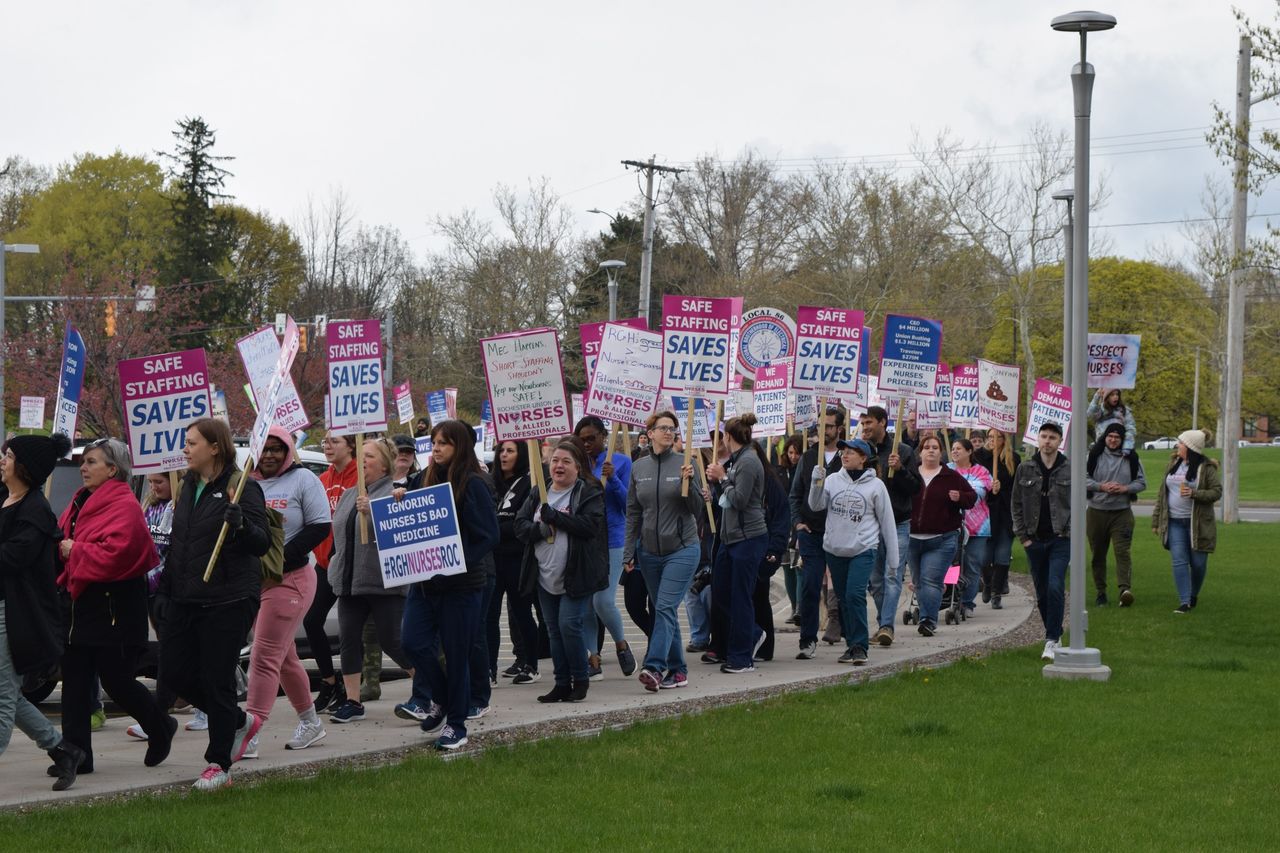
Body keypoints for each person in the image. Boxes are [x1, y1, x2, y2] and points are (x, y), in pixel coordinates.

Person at [159, 418, 271, 791]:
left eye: (192, 443)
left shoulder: (243, 488)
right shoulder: (187, 486)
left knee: (216, 678)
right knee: (172, 673)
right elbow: (181, 545)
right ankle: (237, 721)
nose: (185, 449)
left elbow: (261, 544)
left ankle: (218, 763)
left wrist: (240, 527)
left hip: (229, 597)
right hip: (186, 597)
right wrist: (166, 590)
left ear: (215, 447)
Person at [56, 438, 173, 771]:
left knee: (117, 682)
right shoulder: (80, 501)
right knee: (75, 684)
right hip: (79, 606)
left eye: (91, 462)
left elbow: (117, 555)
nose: (83, 468)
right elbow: (63, 537)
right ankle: (77, 756)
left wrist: (73, 551)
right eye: (83, 462)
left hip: (114, 609)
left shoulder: (125, 506)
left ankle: (160, 727)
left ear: (113, 469)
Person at [400, 420, 500, 750]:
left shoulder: (473, 483)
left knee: (457, 655)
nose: (438, 448)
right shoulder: (424, 478)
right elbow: (407, 516)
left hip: (462, 586)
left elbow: (488, 535)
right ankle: (442, 698)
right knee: (412, 641)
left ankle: (456, 725)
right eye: (434, 442)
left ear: (460, 447)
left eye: (445, 443)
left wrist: (456, 563)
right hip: (424, 584)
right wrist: (399, 498)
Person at [0, 433, 87, 791]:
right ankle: (62, 749)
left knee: (3, 697)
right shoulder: (6, 498)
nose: (2, 459)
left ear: (24, 466)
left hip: (16, 615)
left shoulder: (36, 510)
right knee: (8, 694)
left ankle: (62, 749)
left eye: (8, 455)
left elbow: (12, 558)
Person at [243, 427, 332, 754]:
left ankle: (249, 731)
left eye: (276, 449)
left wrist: (282, 556)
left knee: (263, 655)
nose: (269, 455)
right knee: (284, 658)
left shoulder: (303, 480)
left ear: (288, 450)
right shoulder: (246, 483)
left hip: (291, 579)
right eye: (263, 449)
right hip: (257, 582)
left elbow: (321, 525)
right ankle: (311, 722)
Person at [327, 437, 414, 724]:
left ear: (385, 464)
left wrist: (375, 512)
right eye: (361, 455)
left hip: (383, 582)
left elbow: (400, 535)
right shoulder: (351, 493)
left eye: (370, 456)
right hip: (350, 582)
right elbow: (340, 535)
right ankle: (353, 701)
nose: (363, 460)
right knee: (348, 640)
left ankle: (430, 687)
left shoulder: (395, 493)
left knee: (394, 641)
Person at [517, 439, 608, 702]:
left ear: (578, 467)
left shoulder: (588, 493)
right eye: (555, 460)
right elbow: (520, 526)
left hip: (577, 574)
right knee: (554, 630)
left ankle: (580, 679)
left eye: (566, 461)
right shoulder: (539, 492)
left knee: (569, 626)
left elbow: (590, 526)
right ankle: (561, 683)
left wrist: (556, 517)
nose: (559, 466)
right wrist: (542, 529)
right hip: (545, 575)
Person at [808, 438, 898, 666]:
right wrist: (816, 482)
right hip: (835, 549)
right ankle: (851, 644)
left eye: (850, 452)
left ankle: (860, 646)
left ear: (863, 458)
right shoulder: (832, 480)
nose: (845, 456)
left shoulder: (876, 486)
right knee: (842, 599)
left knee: (855, 595)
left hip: (863, 548)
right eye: (843, 452)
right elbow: (816, 505)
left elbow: (887, 522)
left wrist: (893, 561)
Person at [573, 417, 637, 681]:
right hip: (585, 540)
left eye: (591, 438)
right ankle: (593, 657)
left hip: (613, 540)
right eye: (582, 439)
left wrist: (613, 480)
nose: (587, 444)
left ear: (603, 436)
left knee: (603, 600)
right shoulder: (577, 465)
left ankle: (621, 644)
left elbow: (628, 505)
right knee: (586, 604)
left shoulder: (621, 462)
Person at [705, 413, 769, 674]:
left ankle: (742, 657)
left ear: (727, 437)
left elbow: (741, 499)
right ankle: (751, 634)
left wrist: (722, 478)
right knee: (720, 593)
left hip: (748, 537)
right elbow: (728, 499)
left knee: (740, 597)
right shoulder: (735, 461)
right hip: (730, 537)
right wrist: (715, 487)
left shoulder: (749, 462)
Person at [859, 406, 921, 645]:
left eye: (870, 423)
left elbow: (916, 488)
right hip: (871, 526)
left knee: (892, 575)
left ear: (883, 422)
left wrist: (901, 470)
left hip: (897, 524)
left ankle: (886, 626)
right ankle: (884, 622)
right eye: (863, 424)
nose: (865, 428)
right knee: (875, 580)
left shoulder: (902, 451)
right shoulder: (860, 453)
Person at [788, 406, 846, 660]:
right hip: (811, 533)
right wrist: (798, 522)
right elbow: (795, 494)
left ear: (839, 428)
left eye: (829, 426)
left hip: (841, 534)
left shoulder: (848, 456)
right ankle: (807, 639)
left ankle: (851, 632)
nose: (823, 430)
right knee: (811, 585)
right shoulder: (809, 457)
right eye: (820, 426)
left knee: (845, 588)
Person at [306, 432, 357, 713]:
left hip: (353, 567)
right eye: (324, 441)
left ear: (351, 446)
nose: (327, 445)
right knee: (313, 621)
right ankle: (329, 682)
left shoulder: (360, 477)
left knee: (372, 633)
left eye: (334, 441)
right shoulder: (321, 480)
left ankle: (425, 683)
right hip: (326, 565)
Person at [1011, 422, 1071, 661]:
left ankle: (1051, 639)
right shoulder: (1026, 468)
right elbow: (1016, 503)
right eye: (1044, 436)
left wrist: (1068, 531)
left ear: (1059, 441)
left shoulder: (1069, 468)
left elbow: (1078, 503)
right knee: (1042, 591)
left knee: (1056, 585)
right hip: (1034, 539)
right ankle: (1055, 631)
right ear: (1038, 439)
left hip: (1060, 538)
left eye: (1052, 437)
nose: (1047, 441)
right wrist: (1023, 537)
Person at [908, 433, 976, 637]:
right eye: (926, 447)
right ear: (920, 452)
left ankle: (928, 620)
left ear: (941, 452)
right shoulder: (911, 475)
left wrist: (960, 497)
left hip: (942, 538)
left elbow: (971, 498)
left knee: (931, 580)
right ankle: (926, 615)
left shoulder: (951, 476)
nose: (931, 450)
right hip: (912, 538)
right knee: (919, 582)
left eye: (935, 447)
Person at [486, 440, 542, 686]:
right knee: (488, 616)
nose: (504, 455)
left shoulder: (531, 482)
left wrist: (494, 529)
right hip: (491, 559)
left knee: (522, 613)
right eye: (501, 451)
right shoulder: (488, 481)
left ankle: (531, 664)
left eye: (510, 451)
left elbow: (521, 524)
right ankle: (488, 669)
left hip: (518, 559)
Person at [1151, 428, 1221, 613]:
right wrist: (1156, 519)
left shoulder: (1206, 468)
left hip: (1197, 524)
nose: (1178, 445)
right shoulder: (1173, 463)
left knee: (1198, 564)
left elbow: (1216, 491)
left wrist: (1194, 493)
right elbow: (1162, 493)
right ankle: (1184, 602)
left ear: (1190, 447)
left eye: (1181, 443)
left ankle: (1193, 595)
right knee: (1179, 561)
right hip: (1174, 522)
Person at [1086, 422, 1146, 607]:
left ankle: (1124, 590)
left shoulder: (1131, 457)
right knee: (1098, 554)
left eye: (1117, 437)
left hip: (1122, 513)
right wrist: (1101, 486)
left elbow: (1142, 482)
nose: (1113, 440)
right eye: (1110, 436)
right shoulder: (1093, 455)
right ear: (1105, 437)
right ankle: (1101, 592)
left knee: (1122, 552)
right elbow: (1082, 478)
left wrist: (1125, 488)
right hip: (1097, 512)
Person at [749, 442, 791, 662]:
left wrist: (775, 548)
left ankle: (765, 646)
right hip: (745, 545)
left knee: (759, 596)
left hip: (764, 547)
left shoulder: (771, 484)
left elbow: (781, 518)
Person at [975, 428, 1021, 609]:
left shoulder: (1013, 459)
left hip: (1005, 513)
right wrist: (989, 487)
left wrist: (1001, 488)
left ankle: (996, 592)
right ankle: (987, 583)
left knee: (1002, 555)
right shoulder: (979, 456)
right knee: (985, 556)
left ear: (1004, 439)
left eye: (997, 437)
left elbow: (1017, 487)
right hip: (985, 513)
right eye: (990, 436)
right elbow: (975, 480)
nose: (993, 440)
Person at [949, 438, 992, 617]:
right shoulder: (947, 469)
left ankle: (967, 603)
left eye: (959, 448)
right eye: (953, 448)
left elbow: (978, 493)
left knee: (972, 565)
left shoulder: (981, 471)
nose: (955, 451)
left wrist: (960, 494)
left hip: (978, 528)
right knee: (952, 565)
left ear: (969, 451)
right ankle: (950, 599)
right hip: (952, 525)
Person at [777, 435, 804, 624]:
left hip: (799, 523)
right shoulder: (779, 472)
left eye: (797, 453)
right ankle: (794, 606)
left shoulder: (804, 471)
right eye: (791, 452)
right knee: (787, 567)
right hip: (783, 525)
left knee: (799, 566)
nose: (794, 457)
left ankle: (801, 609)